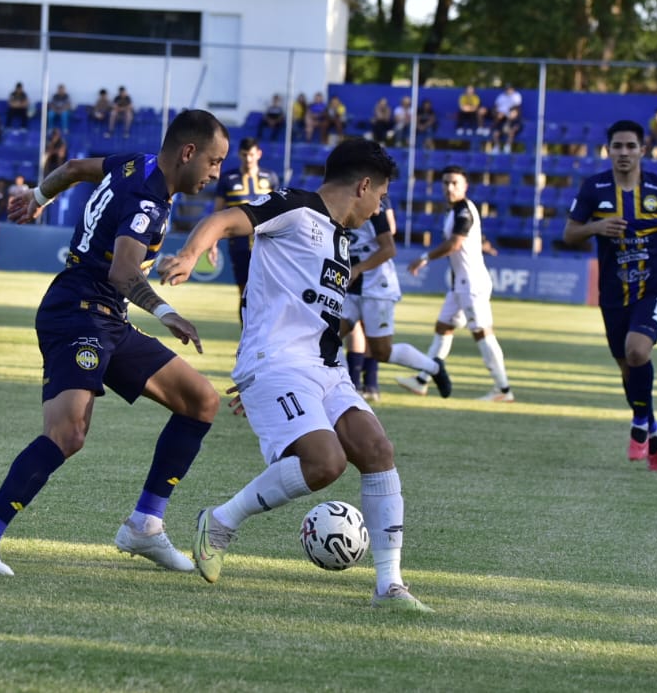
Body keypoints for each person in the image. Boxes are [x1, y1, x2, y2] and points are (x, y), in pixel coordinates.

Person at [158, 138, 445, 611]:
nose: (380, 208)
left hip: (324, 370)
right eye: (382, 196)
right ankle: (221, 521)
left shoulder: (342, 240)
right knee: (325, 463)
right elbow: (224, 219)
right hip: (279, 364)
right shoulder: (294, 207)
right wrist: (191, 255)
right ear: (364, 185)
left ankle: (389, 587)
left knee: (377, 449)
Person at [0, 109, 230, 577]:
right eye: (214, 162)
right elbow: (122, 273)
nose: (216, 174)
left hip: (106, 317)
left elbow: (76, 168)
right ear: (188, 153)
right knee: (67, 433)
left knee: (201, 401)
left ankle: (145, 525)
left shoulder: (137, 162)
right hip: (78, 311)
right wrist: (167, 312)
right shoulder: (147, 198)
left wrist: (36, 196)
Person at [563, 119, 657, 472]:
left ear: (643, 150)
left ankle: (639, 425)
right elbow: (570, 233)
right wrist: (596, 226)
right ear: (608, 150)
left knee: (637, 351)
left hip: (656, 286)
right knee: (628, 370)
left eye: (630, 146)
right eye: (617, 146)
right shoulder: (594, 188)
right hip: (613, 293)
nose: (624, 153)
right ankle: (652, 427)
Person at [397, 165, 514, 402]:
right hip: (459, 284)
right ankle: (422, 380)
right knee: (443, 328)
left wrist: (424, 258)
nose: (449, 187)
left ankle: (503, 390)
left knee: (482, 333)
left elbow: (455, 244)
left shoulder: (463, 210)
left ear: (465, 186)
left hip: (471, 283)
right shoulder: (455, 211)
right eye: (446, 183)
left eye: (455, 183)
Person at [340, 197, 450, 402]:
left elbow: (389, 248)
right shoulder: (336, 204)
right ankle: (345, 389)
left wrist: (358, 268)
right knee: (326, 337)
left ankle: (433, 367)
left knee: (382, 351)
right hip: (350, 288)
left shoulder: (373, 209)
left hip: (377, 288)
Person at [212, 136, 279, 324]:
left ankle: (265, 334)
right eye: (244, 155)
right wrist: (213, 243)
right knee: (244, 293)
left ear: (258, 154)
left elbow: (279, 213)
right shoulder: (228, 179)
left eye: (251, 155)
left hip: (267, 245)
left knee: (267, 292)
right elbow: (217, 214)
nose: (248, 159)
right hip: (239, 244)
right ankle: (247, 336)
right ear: (239, 155)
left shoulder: (270, 178)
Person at [490, 85, 522, 153]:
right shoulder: (504, 118)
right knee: (496, 133)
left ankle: (507, 147)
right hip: (503, 128)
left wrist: (512, 129)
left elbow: (517, 126)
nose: (509, 90)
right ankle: (497, 147)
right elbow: (498, 126)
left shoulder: (517, 118)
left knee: (511, 133)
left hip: (511, 130)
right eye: (507, 89)